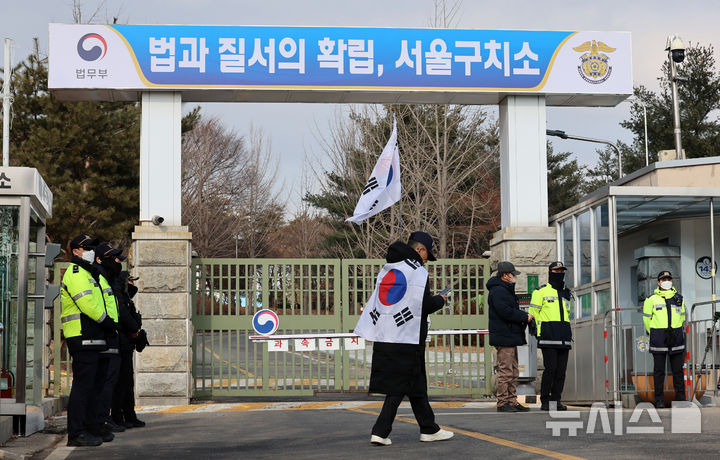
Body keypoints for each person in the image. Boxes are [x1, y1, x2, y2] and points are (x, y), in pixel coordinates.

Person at [357, 231, 453, 446]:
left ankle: (429, 428)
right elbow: (423, 306)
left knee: (416, 385)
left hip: (387, 335)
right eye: (427, 253)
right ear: (419, 250)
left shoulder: (388, 269)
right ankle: (380, 431)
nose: (427, 259)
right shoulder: (416, 272)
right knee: (398, 386)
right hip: (407, 338)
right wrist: (440, 299)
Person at [61, 234, 117, 446]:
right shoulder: (76, 273)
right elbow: (88, 305)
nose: (92, 250)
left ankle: (91, 427)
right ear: (76, 251)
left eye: (93, 246)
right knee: (83, 387)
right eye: (87, 247)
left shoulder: (88, 272)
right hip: (82, 335)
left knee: (94, 386)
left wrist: (107, 326)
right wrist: (107, 322)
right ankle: (76, 433)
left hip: (93, 335)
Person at [488, 261, 533, 412]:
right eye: (513, 274)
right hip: (504, 336)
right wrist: (524, 316)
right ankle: (503, 402)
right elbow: (505, 311)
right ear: (505, 275)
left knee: (513, 371)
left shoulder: (505, 289)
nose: (515, 277)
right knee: (506, 370)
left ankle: (512, 401)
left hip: (509, 335)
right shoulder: (499, 291)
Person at [91, 243, 125, 434]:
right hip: (105, 334)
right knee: (104, 382)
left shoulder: (108, 278)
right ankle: (101, 419)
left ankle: (104, 418)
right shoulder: (99, 278)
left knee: (109, 381)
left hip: (112, 334)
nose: (116, 262)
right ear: (99, 259)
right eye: (112, 258)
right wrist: (110, 325)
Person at [529, 261, 572, 411]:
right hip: (548, 336)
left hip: (564, 337)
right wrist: (539, 332)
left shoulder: (567, 292)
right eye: (556, 271)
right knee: (551, 369)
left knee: (561, 372)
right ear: (550, 272)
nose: (559, 273)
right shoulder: (540, 292)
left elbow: (567, 314)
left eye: (561, 271)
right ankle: (545, 400)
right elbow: (533, 314)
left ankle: (556, 400)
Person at [643, 270, 686, 408]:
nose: (667, 281)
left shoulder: (679, 298)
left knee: (678, 371)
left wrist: (676, 329)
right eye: (664, 279)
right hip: (659, 338)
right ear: (658, 282)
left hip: (676, 337)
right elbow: (646, 319)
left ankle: (681, 399)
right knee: (659, 371)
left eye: (668, 278)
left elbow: (682, 316)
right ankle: (659, 400)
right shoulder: (651, 299)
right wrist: (654, 332)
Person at [111, 267, 147, 428]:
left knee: (127, 383)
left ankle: (129, 415)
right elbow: (124, 316)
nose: (133, 284)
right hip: (122, 341)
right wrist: (134, 329)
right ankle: (118, 417)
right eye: (130, 281)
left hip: (127, 343)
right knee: (121, 383)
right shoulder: (119, 296)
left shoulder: (125, 296)